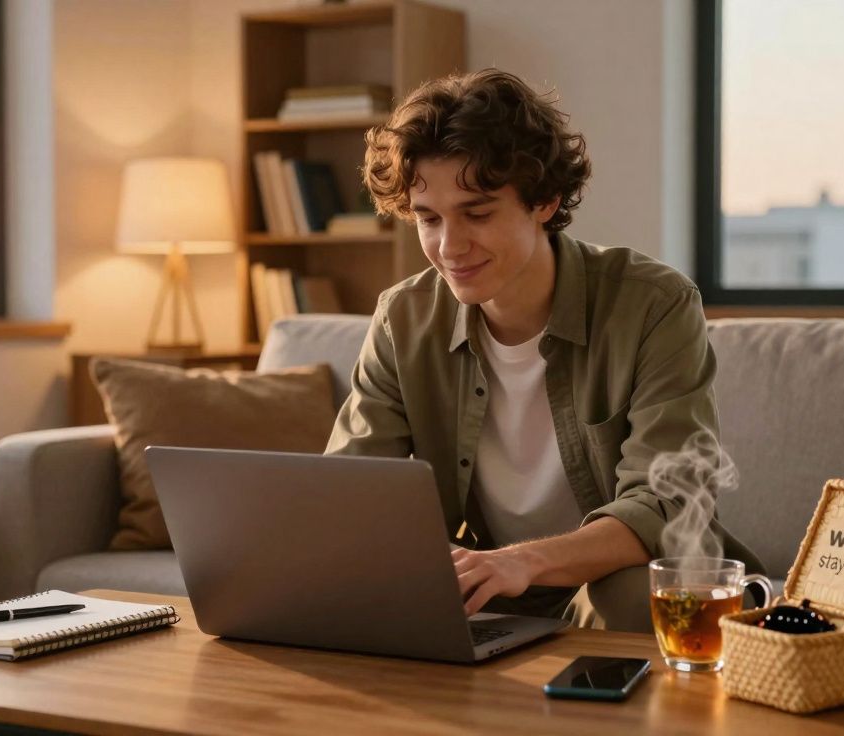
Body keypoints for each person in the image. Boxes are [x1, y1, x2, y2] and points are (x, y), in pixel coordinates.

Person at [325, 68, 763, 631]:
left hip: (612, 583)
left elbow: (665, 504)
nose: (449, 247)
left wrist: (522, 562)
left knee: (627, 596)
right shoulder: (402, 319)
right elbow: (350, 495)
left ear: (545, 201)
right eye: (429, 219)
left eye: (478, 213)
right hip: (488, 587)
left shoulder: (654, 304)